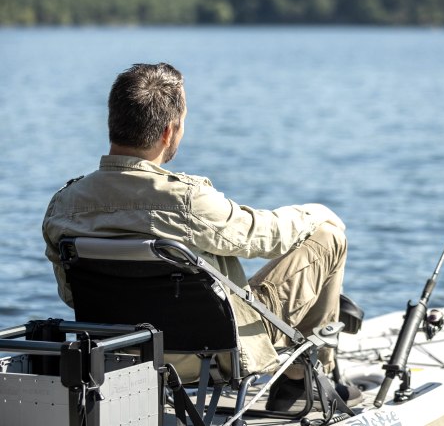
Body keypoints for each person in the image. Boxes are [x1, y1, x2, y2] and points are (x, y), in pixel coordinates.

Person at [42, 62, 361, 410]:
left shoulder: (64, 205)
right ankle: (304, 377)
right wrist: (320, 212)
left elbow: (71, 295)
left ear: (113, 125)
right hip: (211, 355)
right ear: (169, 132)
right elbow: (268, 236)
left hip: (122, 351)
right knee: (328, 238)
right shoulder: (187, 200)